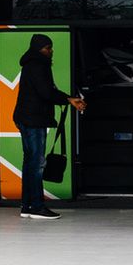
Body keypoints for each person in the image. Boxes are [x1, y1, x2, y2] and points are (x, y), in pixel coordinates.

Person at [13, 33, 85, 220]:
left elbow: (47, 91)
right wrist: (69, 99)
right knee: (36, 164)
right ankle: (36, 206)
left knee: (30, 163)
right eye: (47, 48)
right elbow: (46, 92)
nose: (51, 51)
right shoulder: (39, 65)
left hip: (27, 118)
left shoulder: (31, 64)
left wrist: (68, 99)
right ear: (39, 49)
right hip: (33, 119)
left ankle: (27, 205)